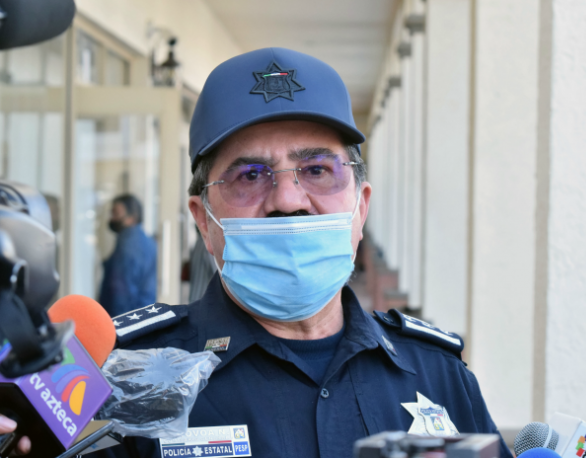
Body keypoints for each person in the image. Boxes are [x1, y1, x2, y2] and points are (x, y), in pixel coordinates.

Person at [3, 48, 512, 458]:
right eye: (250, 175)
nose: (288, 200)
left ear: (361, 206)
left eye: (317, 170)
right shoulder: (117, 376)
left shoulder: (438, 373)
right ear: (204, 220)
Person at [99, 194, 157, 317]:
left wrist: (116, 323)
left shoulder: (128, 244)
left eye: (116, 213)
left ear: (133, 217)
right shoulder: (146, 240)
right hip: (142, 314)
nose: (112, 218)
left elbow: (121, 293)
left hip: (126, 318)